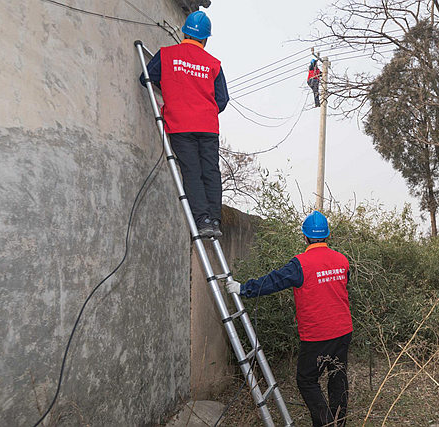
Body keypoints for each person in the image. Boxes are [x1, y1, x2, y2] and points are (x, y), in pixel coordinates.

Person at [226, 211, 352, 426]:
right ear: (327, 235)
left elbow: (273, 281)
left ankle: (325, 423)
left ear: (305, 237)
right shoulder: (342, 260)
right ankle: (338, 422)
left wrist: (244, 288)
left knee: (306, 380)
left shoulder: (300, 264)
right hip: (343, 330)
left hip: (317, 335)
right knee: (337, 376)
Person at [140, 10, 229, 238]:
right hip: (208, 127)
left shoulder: (167, 55)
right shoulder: (213, 64)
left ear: (184, 32)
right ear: (205, 38)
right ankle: (215, 220)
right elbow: (222, 100)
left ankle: (203, 220)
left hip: (180, 125)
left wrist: (173, 92)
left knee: (192, 172)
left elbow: (146, 78)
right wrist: (204, 111)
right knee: (210, 171)